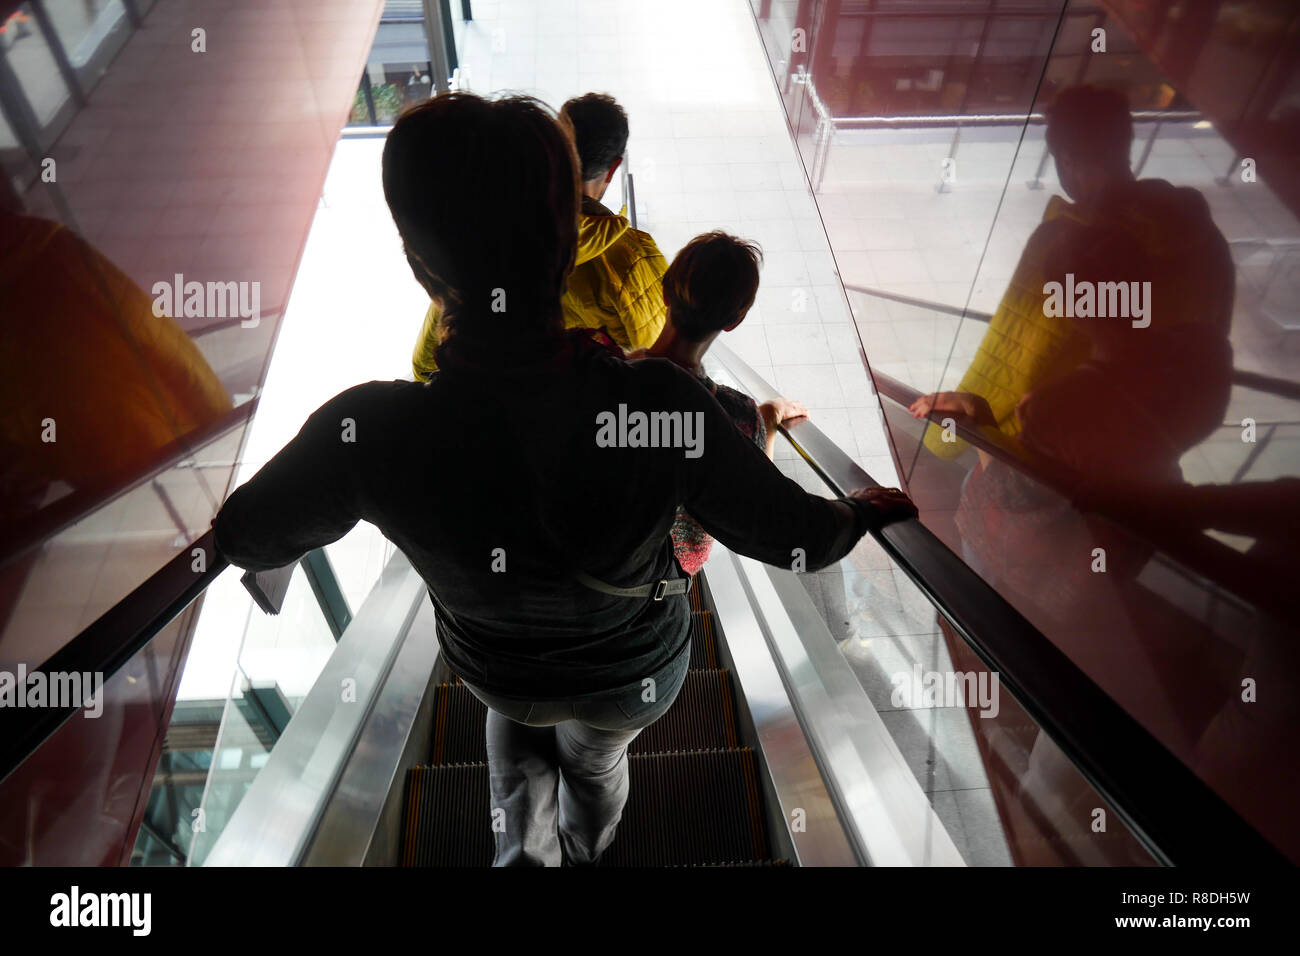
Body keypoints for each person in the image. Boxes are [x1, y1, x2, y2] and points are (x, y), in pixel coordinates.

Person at [212, 92, 917, 867]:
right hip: (633, 671)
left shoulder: (370, 434)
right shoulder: (657, 403)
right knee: (596, 760)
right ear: (569, 237)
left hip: (496, 668)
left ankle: (525, 856)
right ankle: (590, 847)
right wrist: (857, 512)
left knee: (512, 752)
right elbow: (796, 541)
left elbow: (248, 532)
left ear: (420, 266)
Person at [911, 84, 1233, 458]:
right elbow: (1208, 350)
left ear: (1066, 158)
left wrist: (940, 445)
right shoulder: (1203, 241)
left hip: (1049, 448)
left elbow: (1010, 362)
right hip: (1141, 454)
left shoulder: (1068, 246)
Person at [411, 92, 668, 380]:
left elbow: (427, 363)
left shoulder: (489, 241)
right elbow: (658, 363)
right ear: (613, 169)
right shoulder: (632, 258)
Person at [627, 230, 809, 576]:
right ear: (733, 321)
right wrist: (767, 417)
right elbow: (753, 493)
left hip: (601, 552)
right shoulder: (738, 415)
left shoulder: (609, 373)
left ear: (665, 291)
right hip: (668, 575)